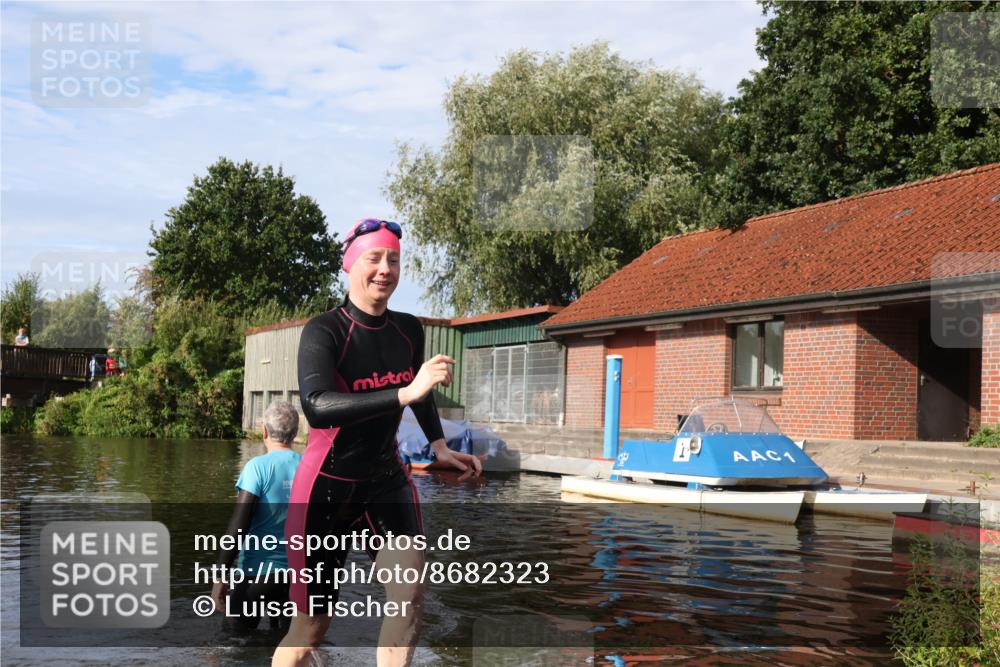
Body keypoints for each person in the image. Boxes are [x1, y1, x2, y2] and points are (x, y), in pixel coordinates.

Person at [273, 218, 482, 667]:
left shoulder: (408, 329)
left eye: (393, 259)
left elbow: (420, 392)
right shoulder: (324, 330)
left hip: (386, 480)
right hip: (326, 488)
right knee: (311, 626)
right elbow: (316, 405)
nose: (385, 268)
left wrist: (439, 445)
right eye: (374, 258)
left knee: (408, 595)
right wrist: (403, 392)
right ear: (350, 265)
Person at [212, 400, 302, 632]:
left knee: (228, 647)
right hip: (299, 580)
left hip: (257, 576)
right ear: (295, 432)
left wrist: (221, 574)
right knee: (290, 650)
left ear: (264, 430)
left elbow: (238, 525)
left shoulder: (257, 468)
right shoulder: (309, 467)